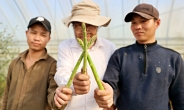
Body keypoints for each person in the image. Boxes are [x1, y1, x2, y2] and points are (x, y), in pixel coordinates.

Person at [94, 3, 184, 110]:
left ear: (157, 23)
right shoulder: (120, 55)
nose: (137, 27)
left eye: (143, 21)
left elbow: (180, 97)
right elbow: (109, 85)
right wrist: (106, 93)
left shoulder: (173, 58)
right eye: (133, 22)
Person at [54, 0, 116, 110]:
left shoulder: (110, 48)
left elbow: (115, 79)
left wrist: (110, 92)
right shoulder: (65, 46)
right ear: (72, 27)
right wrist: (72, 82)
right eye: (79, 25)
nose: (84, 30)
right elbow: (62, 72)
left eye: (90, 24)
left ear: (97, 26)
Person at [1, 16, 72, 110]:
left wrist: (58, 98)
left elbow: (53, 96)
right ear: (27, 33)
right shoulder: (15, 63)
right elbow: (6, 95)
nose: (37, 38)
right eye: (33, 33)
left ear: (48, 39)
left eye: (43, 35)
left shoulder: (52, 66)